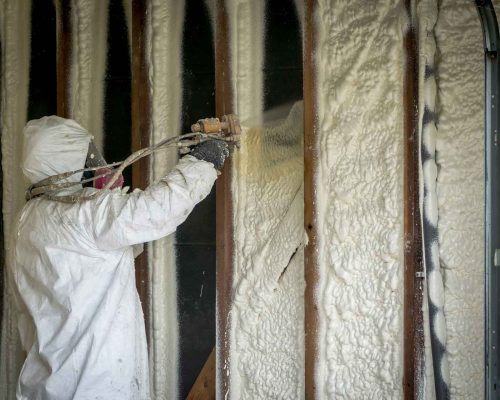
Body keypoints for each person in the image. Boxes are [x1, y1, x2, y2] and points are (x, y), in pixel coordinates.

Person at [10, 115, 230, 399]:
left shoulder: (26, 219)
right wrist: (204, 160)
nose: (97, 165)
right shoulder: (84, 213)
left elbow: (108, 250)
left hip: (46, 384)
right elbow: (156, 210)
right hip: (93, 385)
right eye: (88, 157)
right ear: (65, 161)